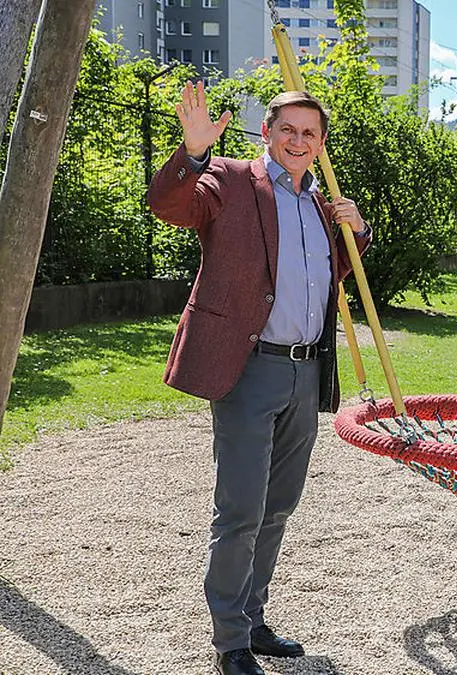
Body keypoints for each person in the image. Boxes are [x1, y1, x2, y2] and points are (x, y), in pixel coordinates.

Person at [148, 82, 370, 675]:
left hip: (307, 370)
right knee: (242, 509)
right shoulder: (228, 178)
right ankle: (230, 643)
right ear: (267, 132)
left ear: (320, 144)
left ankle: (252, 617)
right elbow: (170, 206)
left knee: (278, 507)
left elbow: (329, 276)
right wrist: (194, 153)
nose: (298, 140)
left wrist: (355, 232)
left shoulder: (323, 203)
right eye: (287, 129)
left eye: (309, 133)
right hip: (249, 368)